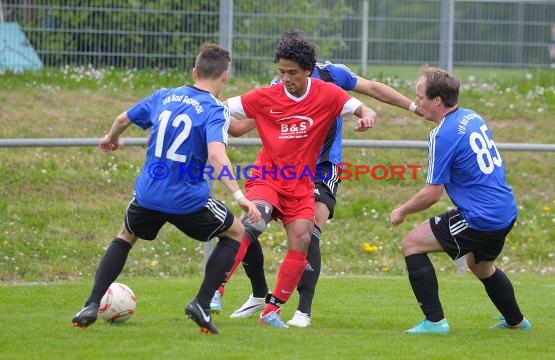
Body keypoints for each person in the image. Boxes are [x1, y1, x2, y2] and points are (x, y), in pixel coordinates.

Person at [211, 29, 422, 328]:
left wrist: (411, 108)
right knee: (256, 219)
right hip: (279, 169)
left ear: (309, 67)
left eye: (292, 71)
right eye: (281, 71)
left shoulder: (333, 78)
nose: (286, 77)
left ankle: (300, 312)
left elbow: (371, 92)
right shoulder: (274, 89)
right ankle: (246, 293)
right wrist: (209, 119)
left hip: (322, 170)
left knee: (307, 235)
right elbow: (242, 124)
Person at [70, 43, 261, 335]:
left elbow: (122, 119)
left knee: (125, 235)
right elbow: (217, 154)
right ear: (225, 76)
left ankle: (91, 303)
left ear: (194, 71)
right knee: (236, 232)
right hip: (187, 200)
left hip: (148, 194)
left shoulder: (164, 96)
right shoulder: (214, 109)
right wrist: (239, 196)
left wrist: (111, 138)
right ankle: (201, 302)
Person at [389, 66, 531, 334]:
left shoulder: (442, 135)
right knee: (480, 265)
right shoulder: (471, 116)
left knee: (412, 244)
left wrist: (402, 210)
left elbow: (432, 194)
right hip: (505, 211)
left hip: (481, 217)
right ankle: (517, 322)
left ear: (437, 101)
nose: (416, 101)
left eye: (419, 96)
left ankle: (435, 322)